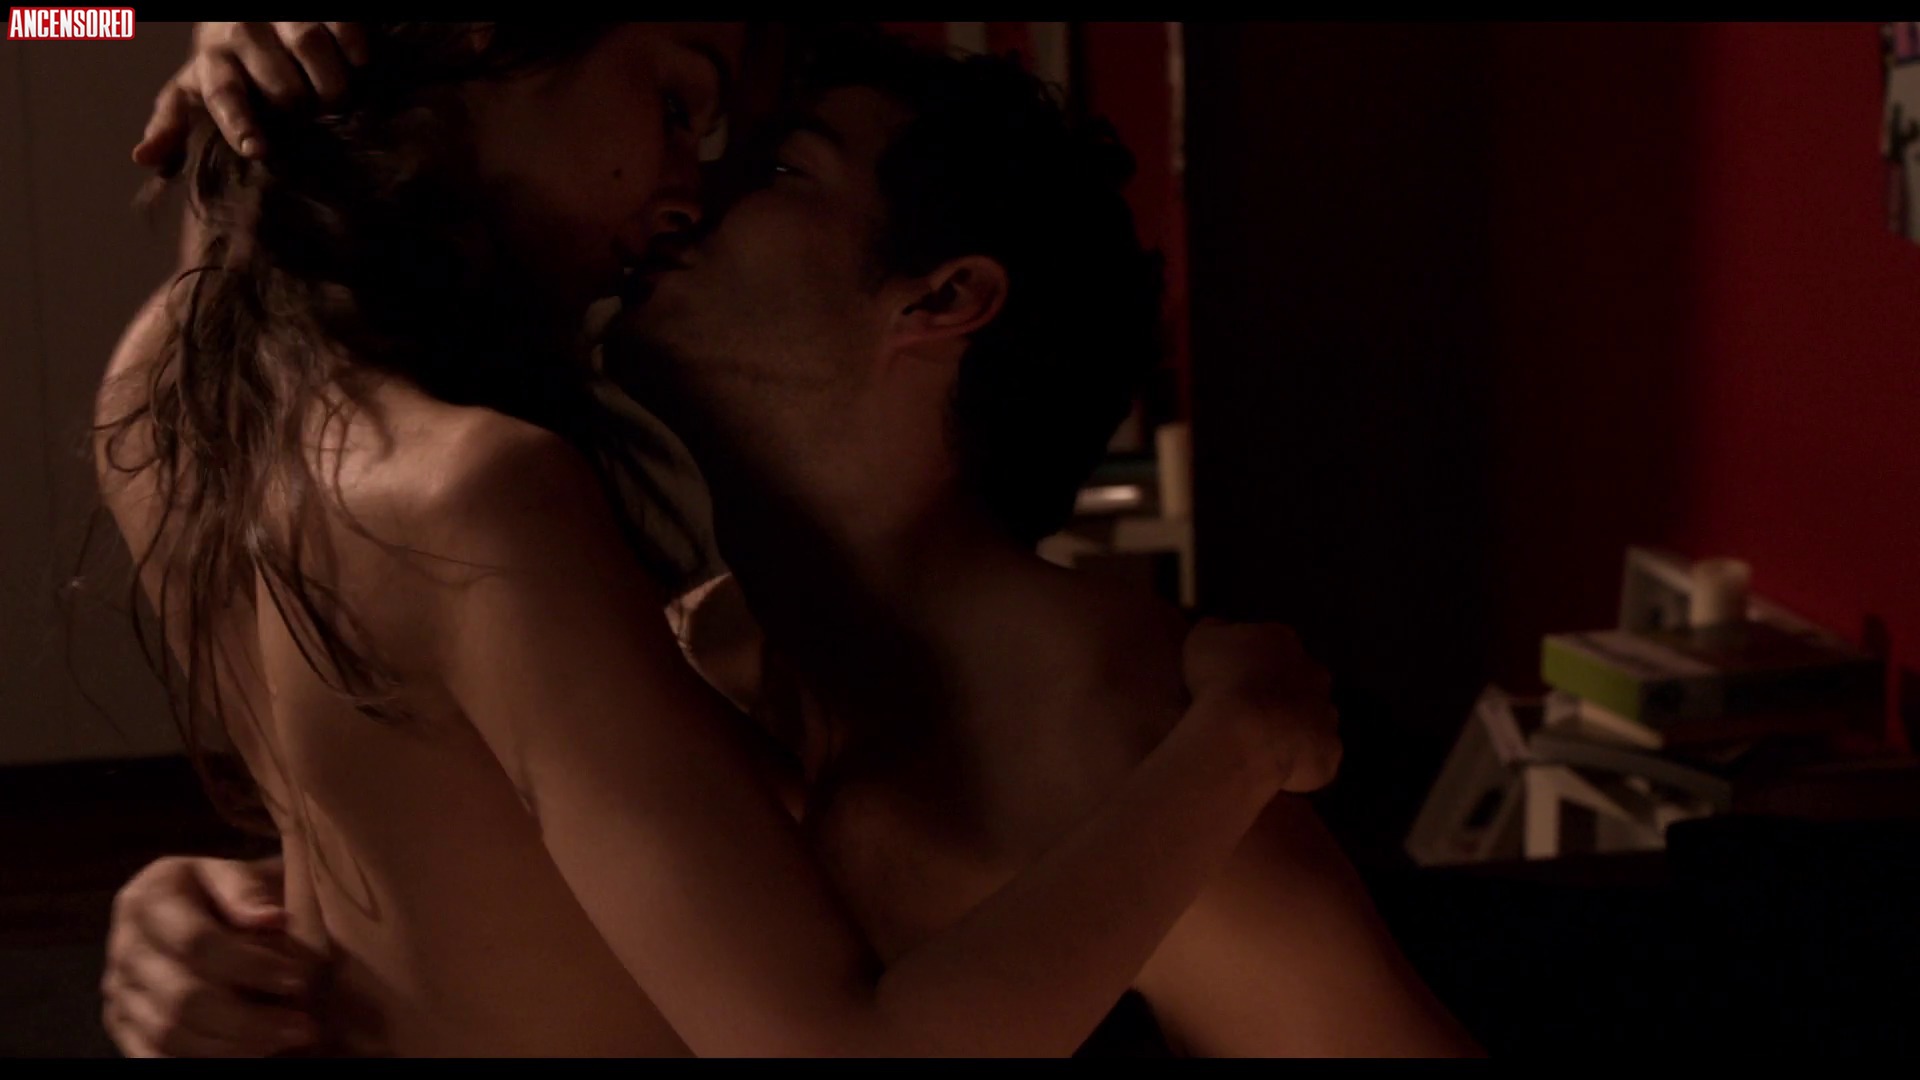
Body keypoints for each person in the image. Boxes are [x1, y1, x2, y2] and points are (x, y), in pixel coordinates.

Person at [91, 23, 1394, 1059]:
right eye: (679, 112)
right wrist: (229, 913)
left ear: (942, 299)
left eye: (770, 170)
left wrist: (1235, 750)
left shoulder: (1117, 745)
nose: (686, 196)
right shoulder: (682, 646)